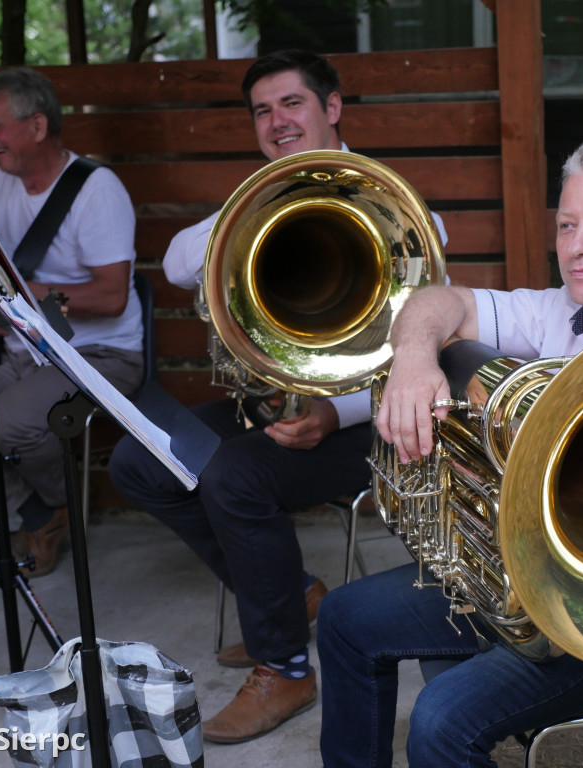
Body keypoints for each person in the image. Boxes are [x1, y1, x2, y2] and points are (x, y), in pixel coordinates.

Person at [317, 135, 583, 767]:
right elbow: (437, 301)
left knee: (441, 717)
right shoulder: (564, 309)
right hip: (532, 587)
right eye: (567, 225)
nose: (577, 246)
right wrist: (415, 360)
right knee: (344, 618)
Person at [108, 49, 447, 745]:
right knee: (140, 457)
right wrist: (269, 195)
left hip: (373, 423)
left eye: (291, 103)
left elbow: (424, 352)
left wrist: (333, 413)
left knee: (234, 475)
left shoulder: (399, 209)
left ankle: (285, 664)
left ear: (332, 107)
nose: (275, 120)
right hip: (277, 404)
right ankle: (289, 599)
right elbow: (176, 263)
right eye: (261, 111)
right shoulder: (257, 199)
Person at [0, 68, 143, 578]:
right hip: (21, 348)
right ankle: (38, 512)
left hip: (98, 355)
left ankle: (52, 507)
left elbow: (112, 297)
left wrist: (25, 298)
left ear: (37, 127)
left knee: (4, 422)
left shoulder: (98, 190)